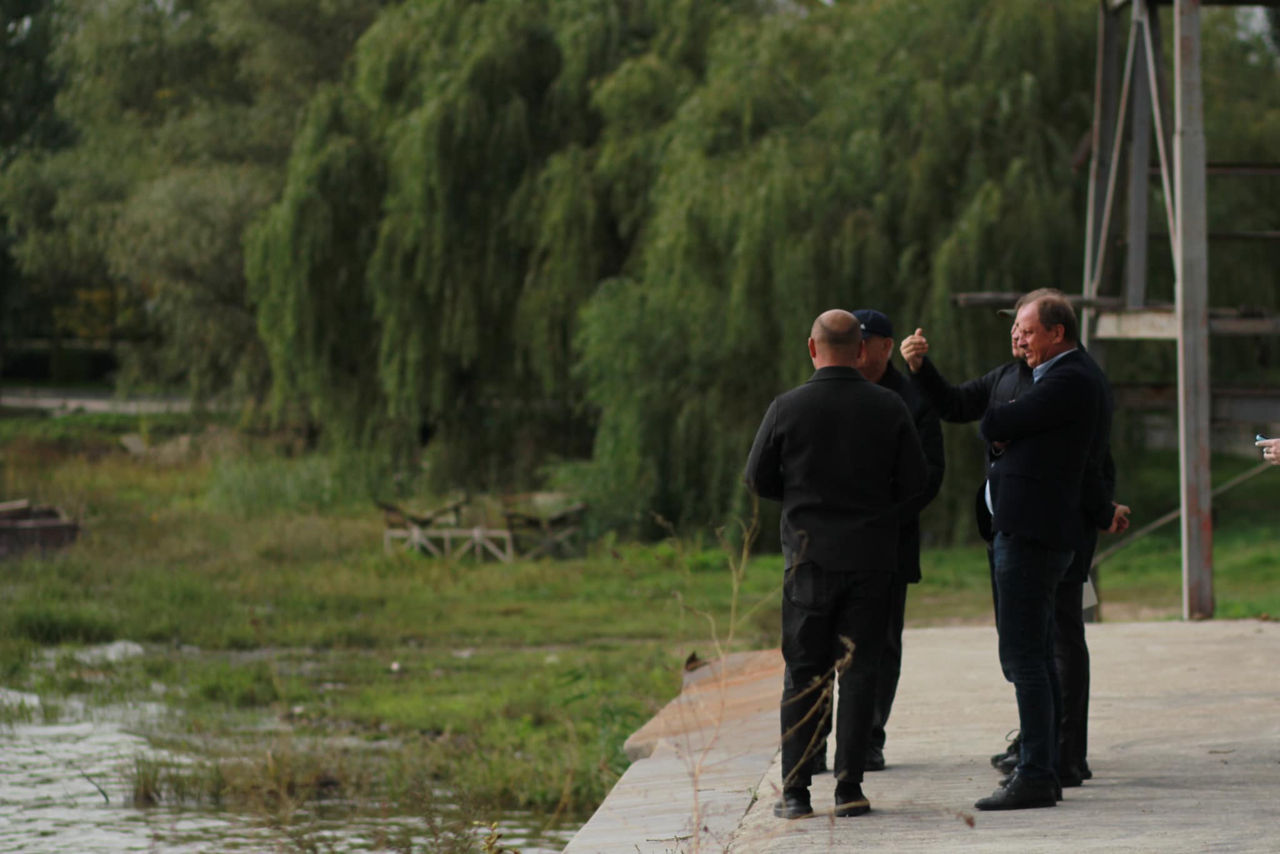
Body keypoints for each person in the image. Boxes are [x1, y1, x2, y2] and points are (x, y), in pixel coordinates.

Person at [901, 299, 1129, 792]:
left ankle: (1059, 756)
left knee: (1056, 640)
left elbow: (1083, 457)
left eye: (1026, 330)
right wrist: (921, 369)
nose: (1017, 338)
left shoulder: (1072, 378)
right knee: (1029, 648)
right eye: (1015, 329)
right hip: (1012, 526)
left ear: (1056, 332)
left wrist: (1100, 507)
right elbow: (961, 407)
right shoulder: (1011, 376)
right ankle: (1038, 748)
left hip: (1050, 529)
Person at [744, 309, 928, 820]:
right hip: (872, 561)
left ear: (812, 348)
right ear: (861, 351)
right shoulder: (888, 407)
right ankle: (850, 789)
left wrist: (802, 499)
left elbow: (757, 478)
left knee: (804, 674)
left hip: (808, 560)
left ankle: (797, 792)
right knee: (860, 672)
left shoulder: (787, 407)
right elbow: (915, 482)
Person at [852, 309, 945, 772]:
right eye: (850, 340)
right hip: (833, 545)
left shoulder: (913, 401)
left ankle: (869, 736)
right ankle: (816, 738)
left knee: (882, 644)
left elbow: (929, 475)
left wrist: (883, 517)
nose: (856, 348)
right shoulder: (831, 389)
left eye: (864, 341)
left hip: (888, 543)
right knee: (824, 645)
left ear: (886, 347)